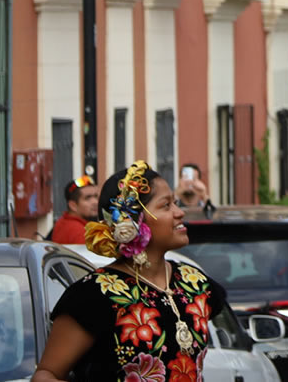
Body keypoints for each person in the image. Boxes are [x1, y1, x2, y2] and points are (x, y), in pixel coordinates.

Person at [31, 162, 227, 382]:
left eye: (176, 203)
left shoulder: (195, 283)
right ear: (132, 221)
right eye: (166, 205)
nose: (179, 213)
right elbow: (46, 375)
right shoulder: (93, 295)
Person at [47, 173, 98, 245]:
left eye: (96, 196)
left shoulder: (63, 222)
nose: (95, 202)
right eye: (88, 198)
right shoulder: (80, 232)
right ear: (73, 205)